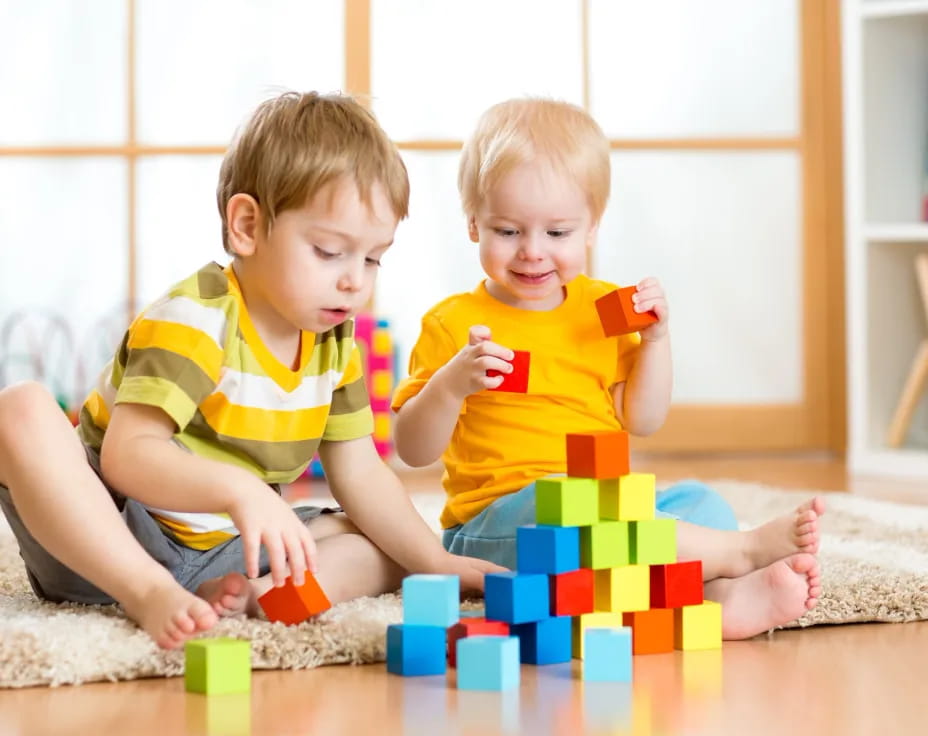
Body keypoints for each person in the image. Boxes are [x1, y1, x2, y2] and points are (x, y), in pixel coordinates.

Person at [0, 91, 501, 650]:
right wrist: (241, 490)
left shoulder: (335, 343)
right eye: (330, 251)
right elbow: (127, 457)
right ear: (246, 226)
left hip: (231, 546)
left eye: (372, 257)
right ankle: (146, 593)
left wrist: (433, 559)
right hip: (110, 534)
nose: (355, 280)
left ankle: (264, 595)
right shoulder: (197, 318)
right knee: (20, 408)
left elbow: (360, 474)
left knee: (384, 543)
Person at [391, 98, 824, 640]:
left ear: (591, 228)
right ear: (474, 223)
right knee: (586, 513)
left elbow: (642, 419)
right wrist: (451, 384)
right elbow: (412, 449)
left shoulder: (602, 310)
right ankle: (738, 554)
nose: (532, 252)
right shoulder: (453, 323)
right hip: (499, 523)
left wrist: (656, 340)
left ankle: (720, 605)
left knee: (699, 503)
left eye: (557, 233)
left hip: (608, 506)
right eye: (508, 231)